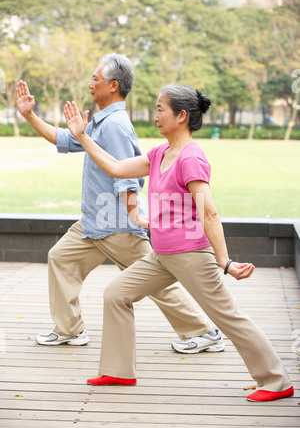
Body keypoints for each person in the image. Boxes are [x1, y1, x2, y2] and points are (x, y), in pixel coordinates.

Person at [63, 83, 294, 401]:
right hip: (161, 255)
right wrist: (82, 136)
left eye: (160, 109)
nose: (155, 115)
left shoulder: (191, 158)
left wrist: (224, 261)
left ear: (181, 115)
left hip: (192, 256)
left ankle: (276, 380)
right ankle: (118, 370)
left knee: (228, 316)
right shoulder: (159, 154)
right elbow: (116, 168)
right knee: (116, 293)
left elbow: (209, 213)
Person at [16, 53, 225, 354]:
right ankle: (69, 329)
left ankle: (205, 332)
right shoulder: (100, 122)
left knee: (157, 281)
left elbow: (127, 175)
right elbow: (64, 138)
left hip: (118, 225)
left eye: (95, 79)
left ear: (113, 86)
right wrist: (29, 115)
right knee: (60, 258)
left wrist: (133, 217)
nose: (90, 84)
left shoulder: (114, 125)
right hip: (93, 223)